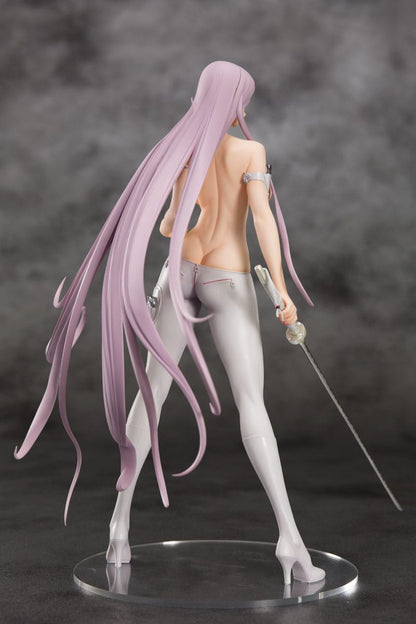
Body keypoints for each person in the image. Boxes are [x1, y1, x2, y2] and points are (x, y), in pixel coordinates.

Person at [15, 61, 325, 585]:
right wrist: (282, 291)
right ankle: (290, 540)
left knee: (151, 392)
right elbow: (263, 222)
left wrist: (196, 210)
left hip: (178, 271)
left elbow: (166, 225)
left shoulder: (182, 151)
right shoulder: (249, 152)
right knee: (251, 402)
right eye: (243, 100)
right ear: (237, 103)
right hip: (227, 277)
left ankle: (118, 526)